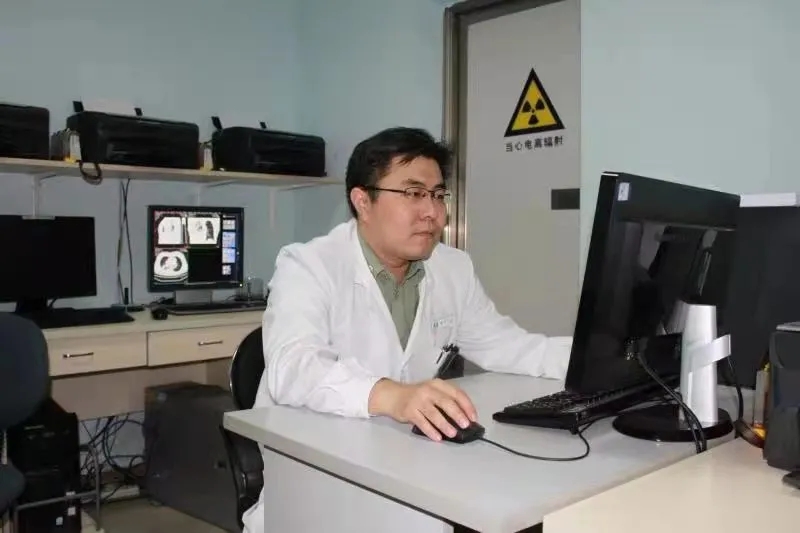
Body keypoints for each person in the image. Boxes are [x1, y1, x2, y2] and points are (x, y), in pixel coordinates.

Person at [241, 127, 571, 530]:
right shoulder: (308, 266)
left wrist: (600, 357)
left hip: (406, 465)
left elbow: (509, 346)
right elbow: (293, 368)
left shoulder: (452, 268)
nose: (432, 212)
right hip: (314, 477)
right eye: (413, 193)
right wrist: (391, 395)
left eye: (438, 195)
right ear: (363, 201)